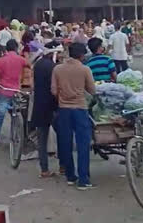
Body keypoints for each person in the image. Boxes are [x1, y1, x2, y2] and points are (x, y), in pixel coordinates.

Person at [52, 42, 96, 190]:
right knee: (83, 145)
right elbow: (92, 89)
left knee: (66, 143)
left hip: (63, 109)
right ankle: (83, 179)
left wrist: (63, 95)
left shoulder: (58, 69)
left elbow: (53, 90)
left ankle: (70, 175)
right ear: (82, 55)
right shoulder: (85, 69)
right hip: (80, 109)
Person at [0, 39, 30, 147]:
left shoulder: (0, 61)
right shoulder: (21, 60)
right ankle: (17, 136)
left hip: (3, 91)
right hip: (16, 91)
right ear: (16, 48)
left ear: (6, 49)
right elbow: (29, 65)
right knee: (15, 114)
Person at [30, 49, 60, 178]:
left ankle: (44, 169)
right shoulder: (54, 67)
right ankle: (63, 166)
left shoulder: (38, 65)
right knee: (62, 135)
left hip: (39, 106)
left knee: (42, 140)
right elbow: (55, 89)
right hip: (53, 106)